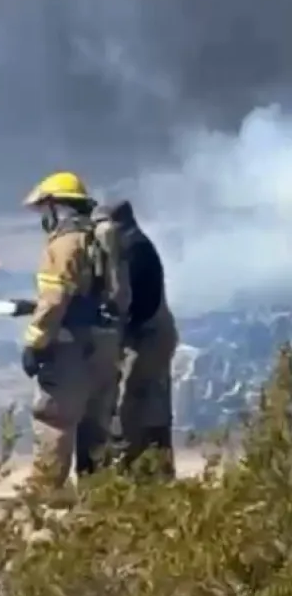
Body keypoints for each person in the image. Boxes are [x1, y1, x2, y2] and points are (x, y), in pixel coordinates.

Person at [19, 171, 124, 498]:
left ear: (56, 206)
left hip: (70, 347)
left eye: (44, 209)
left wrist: (35, 344)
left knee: (55, 417)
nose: (44, 217)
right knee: (97, 421)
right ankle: (99, 496)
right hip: (105, 343)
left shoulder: (64, 243)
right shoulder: (98, 238)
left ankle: (45, 494)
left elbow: (55, 300)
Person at [97, 199, 179, 478]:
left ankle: (138, 470)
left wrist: (119, 328)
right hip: (153, 334)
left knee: (134, 404)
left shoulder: (134, 249)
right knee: (153, 405)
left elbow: (137, 303)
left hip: (148, 338)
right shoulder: (135, 245)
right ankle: (156, 471)